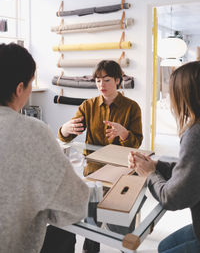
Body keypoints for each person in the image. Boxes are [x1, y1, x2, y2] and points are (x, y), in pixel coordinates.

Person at [0, 43, 89, 253]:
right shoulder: (34, 131)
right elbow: (74, 205)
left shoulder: (130, 108)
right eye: (31, 83)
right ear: (20, 88)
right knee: (63, 233)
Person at [58, 59, 143, 253]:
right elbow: (67, 134)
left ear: (118, 81)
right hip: (94, 169)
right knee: (91, 210)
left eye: (107, 80)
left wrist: (123, 133)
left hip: (122, 171)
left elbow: (137, 142)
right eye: (98, 80)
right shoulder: (88, 106)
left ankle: (124, 246)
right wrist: (64, 129)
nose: (101, 85)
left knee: (120, 218)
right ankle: (91, 248)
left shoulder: (132, 107)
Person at [128, 61, 200, 253]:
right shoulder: (88, 105)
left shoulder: (195, 134)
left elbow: (172, 198)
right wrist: (156, 164)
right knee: (163, 246)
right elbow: (192, 169)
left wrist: (149, 172)